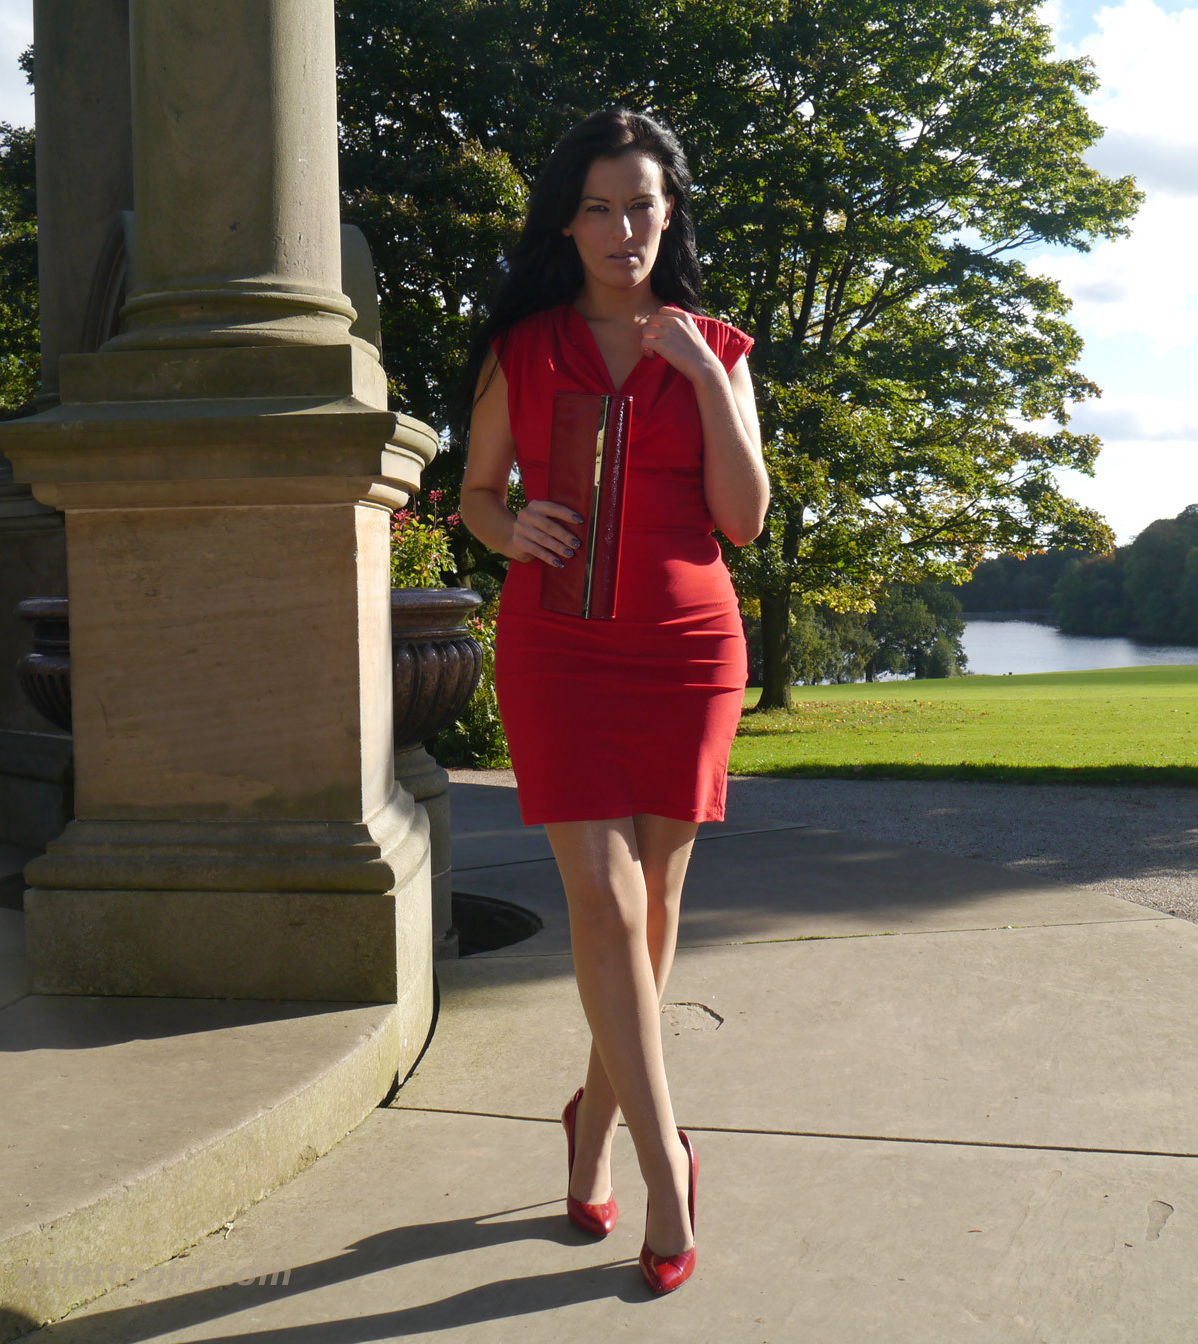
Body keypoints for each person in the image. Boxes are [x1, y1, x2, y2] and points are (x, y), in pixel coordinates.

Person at [456, 107, 768, 1295]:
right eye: (596, 206)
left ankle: (588, 1119)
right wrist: (506, 524)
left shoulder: (717, 349)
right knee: (598, 895)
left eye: (640, 204)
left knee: (645, 915)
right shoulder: (522, 347)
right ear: (567, 219)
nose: (620, 227)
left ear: (669, 212)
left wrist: (700, 373)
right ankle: (661, 1159)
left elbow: (743, 518)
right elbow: (478, 494)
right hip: (557, 648)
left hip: (686, 648)